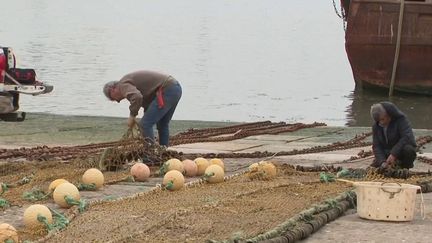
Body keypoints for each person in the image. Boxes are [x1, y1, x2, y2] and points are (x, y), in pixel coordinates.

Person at [103, 70, 182, 146]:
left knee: (145, 125)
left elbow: (137, 97)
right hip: (175, 88)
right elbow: (148, 103)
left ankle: (150, 154)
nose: (117, 101)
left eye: (113, 98)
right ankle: (163, 150)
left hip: (166, 90)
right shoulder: (128, 83)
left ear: (112, 90)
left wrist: (132, 116)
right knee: (162, 124)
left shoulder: (122, 85)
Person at [369, 101, 416, 169]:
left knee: (409, 150)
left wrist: (394, 154)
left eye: (382, 119)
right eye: (379, 121)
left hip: (400, 151)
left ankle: (405, 167)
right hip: (387, 152)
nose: (381, 123)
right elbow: (376, 146)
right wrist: (382, 161)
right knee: (378, 162)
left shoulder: (401, 120)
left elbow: (406, 137)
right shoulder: (376, 126)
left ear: (388, 115)